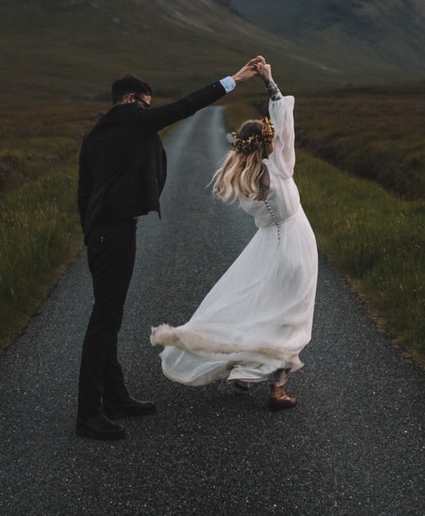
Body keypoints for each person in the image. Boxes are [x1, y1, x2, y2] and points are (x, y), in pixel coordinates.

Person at [75, 57, 265, 441]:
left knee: (108, 317)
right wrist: (234, 80)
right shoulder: (130, 118)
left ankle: (114, 397)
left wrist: (90, 234)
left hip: (101, 234)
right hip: (112, 235)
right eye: (145, 104)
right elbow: (183, 107)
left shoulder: (97, 133)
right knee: (104, 323)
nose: (148, 112)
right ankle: (88, 412)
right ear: (130, 100)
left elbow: (84, 191)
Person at [150, 59, 318, 411]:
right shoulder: (280, 169)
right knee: (289, 317)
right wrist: (269, 80)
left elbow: (277, 130)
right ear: (267, 142)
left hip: (264, 247)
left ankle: (244, 368)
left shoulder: (240, 179)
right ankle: (277, 388)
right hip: (296, 246)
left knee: (256, 309)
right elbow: (284, 120)